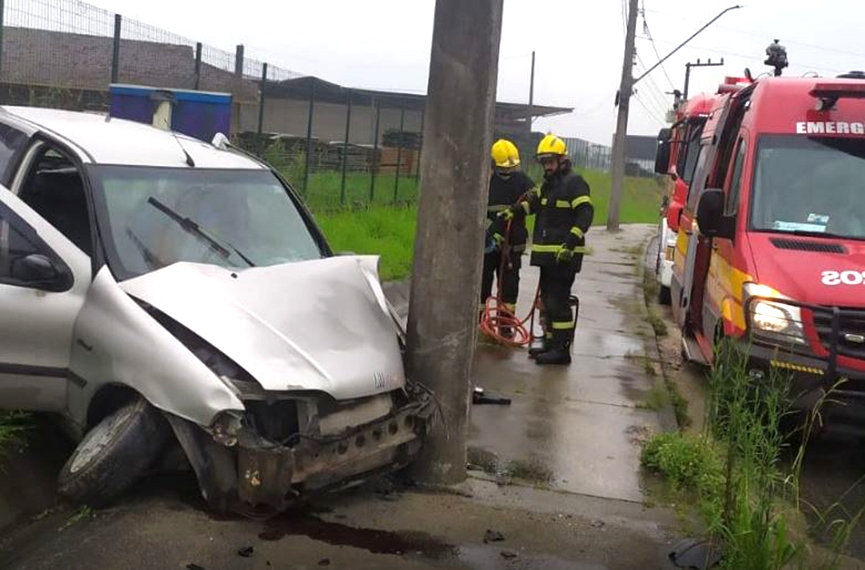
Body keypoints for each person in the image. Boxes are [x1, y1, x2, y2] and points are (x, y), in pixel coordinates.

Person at [500, 134, 593, 365]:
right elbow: (531, 203)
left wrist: (570, 243)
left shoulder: (574, 183)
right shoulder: (548, 187)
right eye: (544, 162)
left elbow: (585, 214)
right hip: (548, 257)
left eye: (551, 161)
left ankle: (561, 350)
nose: (547, 167)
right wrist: (513, 211)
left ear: (562, 160)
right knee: (548, 301)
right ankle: (550, 343)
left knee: (558, 303)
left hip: (563, 256)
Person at [481, 139, 535, 337]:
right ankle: (482, 323)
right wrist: (491, 230)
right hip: (488, 245)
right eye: (504, 168)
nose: (508, 172)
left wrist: (518, 210)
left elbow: (535, 199)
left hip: (513, 246)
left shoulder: (522, 180)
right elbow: (478, 211)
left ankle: (505, 326)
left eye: (511, 168)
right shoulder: (486, 181)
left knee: (509, 288)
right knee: (482, 285)